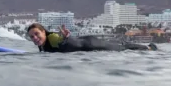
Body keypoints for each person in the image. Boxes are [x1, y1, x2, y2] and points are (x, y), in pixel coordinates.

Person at [26, 23, 158, 53]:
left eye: (37, 34)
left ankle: (149, 48)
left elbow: (61, 40)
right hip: (87, 44)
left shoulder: (52, 38)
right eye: (32, 37)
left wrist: (66, 37)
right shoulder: (43, 45)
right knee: (120, 45)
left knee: (121, 47)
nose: (35, 38)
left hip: (91, 44)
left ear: (44, 32)